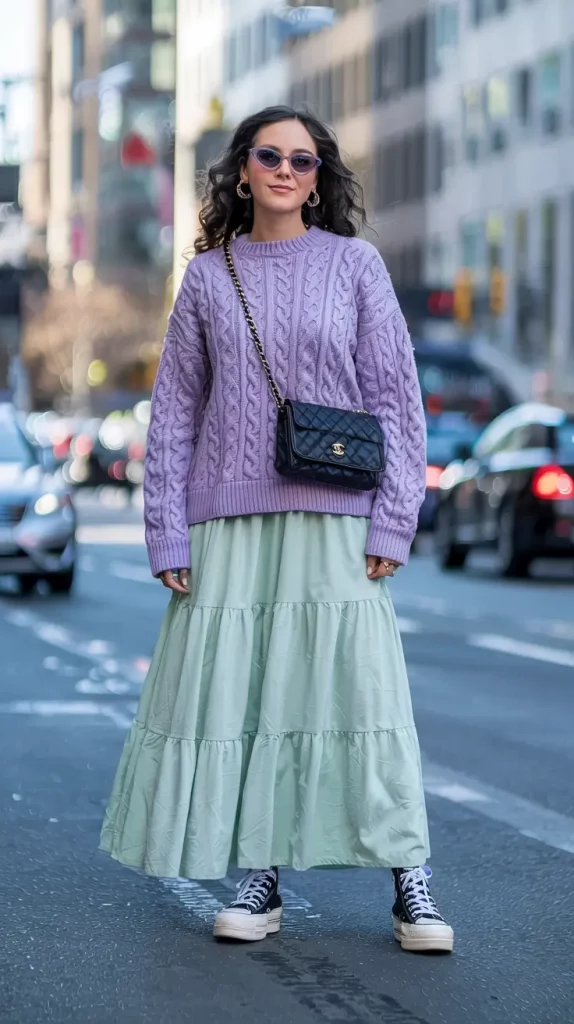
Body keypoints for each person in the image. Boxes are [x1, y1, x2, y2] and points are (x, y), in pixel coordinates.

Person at [100, 105, 454, 955]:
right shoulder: (210, 277)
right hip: (229, 520)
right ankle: (261, 875)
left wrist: (394, 520)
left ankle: (411, 882)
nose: (287, 170)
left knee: (359, 697)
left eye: (304, 159)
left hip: (337, 516)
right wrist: (167, 533)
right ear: (244, 169)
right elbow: (176, 412)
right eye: (271, 155)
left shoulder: (356, 266)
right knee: (254, 702)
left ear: (320, 176)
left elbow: (397, 404)